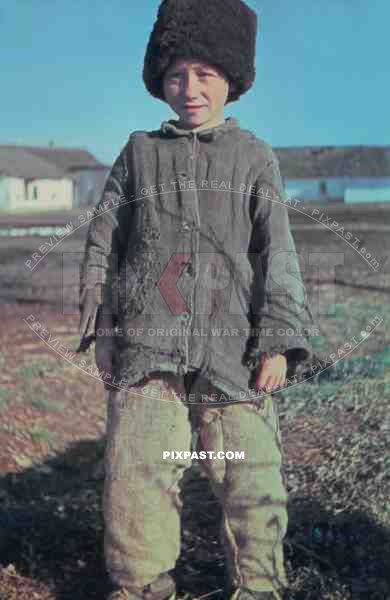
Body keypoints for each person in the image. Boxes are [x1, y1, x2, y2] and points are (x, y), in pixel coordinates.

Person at [76, 1, 315, 599]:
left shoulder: (253, 157)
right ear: (160, 80)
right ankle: (142, 587)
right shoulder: (137, 156)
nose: (190, 89)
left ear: (232, 80)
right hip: (145, 352)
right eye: (177, 75)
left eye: (205, 75)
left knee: (251, 480)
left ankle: (258, 588)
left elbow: (277, 253)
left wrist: (278, 342)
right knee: (138, 477)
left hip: (232, 354)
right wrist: (103, 330)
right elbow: (103, 244)